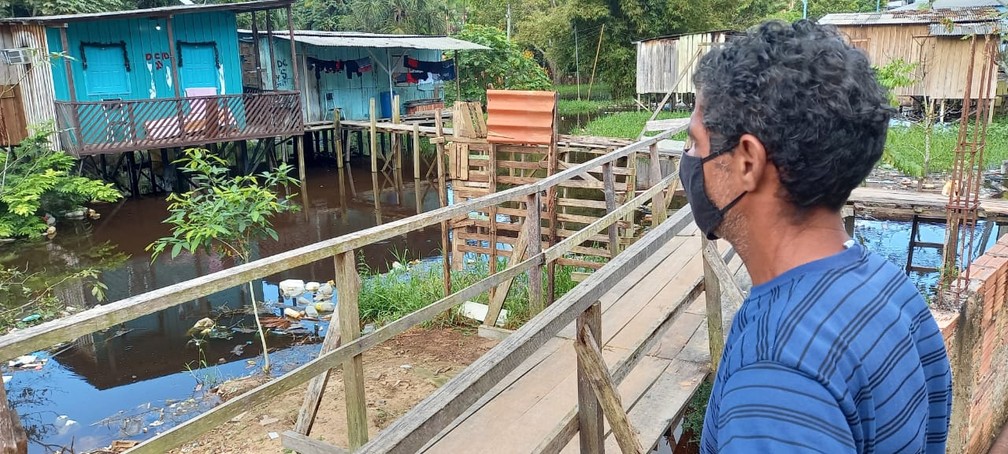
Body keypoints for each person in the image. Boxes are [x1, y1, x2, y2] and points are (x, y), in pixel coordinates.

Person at [681, 20, 953, 453]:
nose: (690, 159)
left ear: (748, 161)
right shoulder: (890, 289)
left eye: (695, 141)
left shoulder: (775, 376)